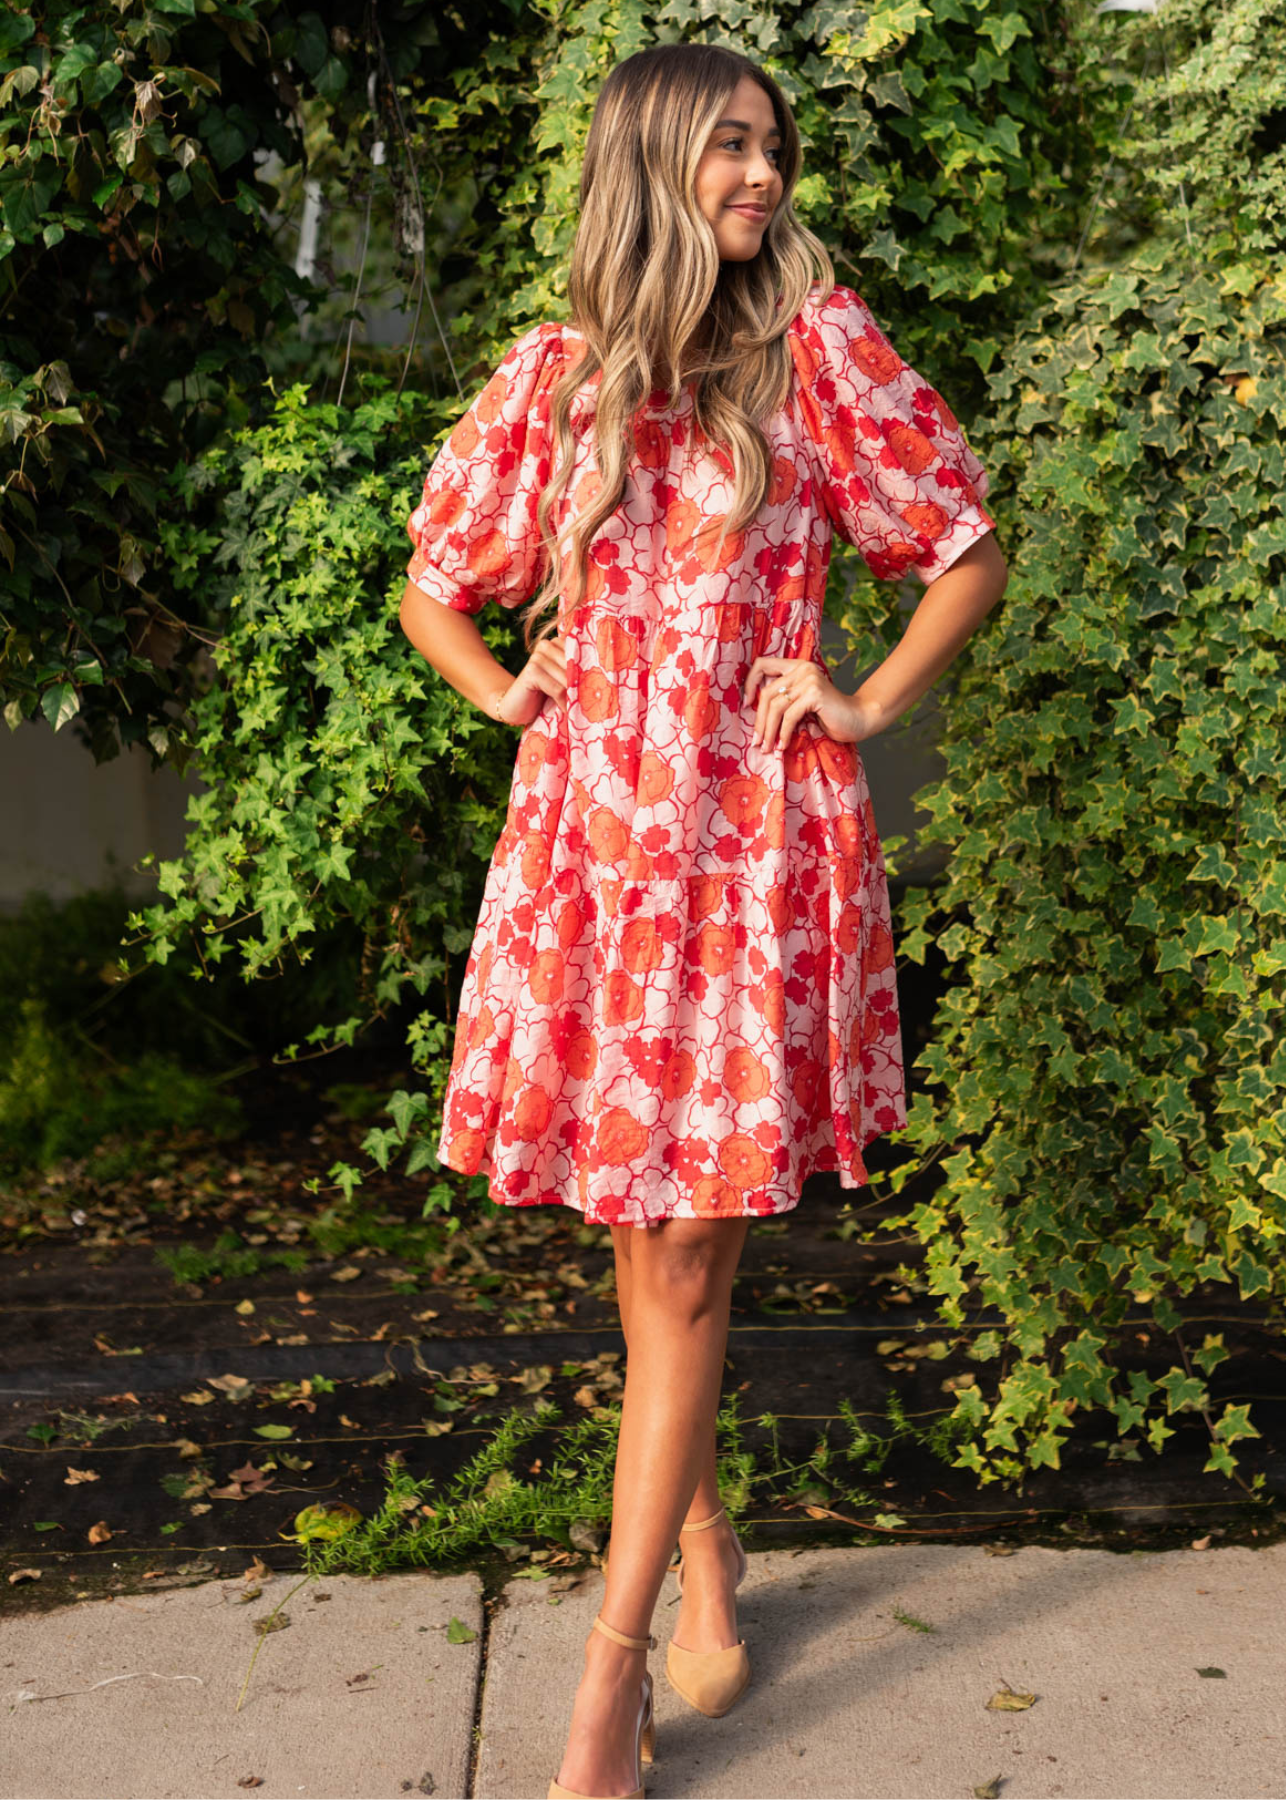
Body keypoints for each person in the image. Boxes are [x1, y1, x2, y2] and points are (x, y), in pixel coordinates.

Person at [399, 39, 1008, 1800]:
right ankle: (699, 1548)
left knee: (681, 1253)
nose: (761, 175)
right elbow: (439, 586)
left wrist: (867, 699)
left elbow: (959, 546)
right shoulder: (555, 377)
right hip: (595, 856)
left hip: (750, 858)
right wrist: (512, 698)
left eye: (771, 149)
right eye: (727, 146)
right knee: (640, 1238)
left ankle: (603, 1687)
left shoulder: (823, 357)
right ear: (652, 162)